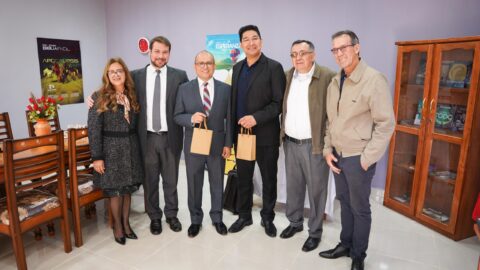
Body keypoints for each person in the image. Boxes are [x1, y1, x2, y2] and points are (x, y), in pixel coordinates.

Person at [318, 30, 395, 270]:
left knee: (360, 208)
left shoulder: (374, 79)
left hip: (357, 158)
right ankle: (345, 244)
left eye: (344, 48)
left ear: (357, 47)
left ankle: (358, 255)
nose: (339, 54)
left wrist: (366, 159)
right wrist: (327, 150)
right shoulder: (334, 81)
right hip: (337, 156)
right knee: (344, 202)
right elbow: (331, 121)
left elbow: (386, 124)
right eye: (335, 49)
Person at [228, 25, 286, 237]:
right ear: (241, 44)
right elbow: (234, 103)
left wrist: (255, 118)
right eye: (246, 39)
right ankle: (244, 215)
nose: (251, 43)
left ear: (261, 41)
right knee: (244, 177)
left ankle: (267, 217)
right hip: (241, 136)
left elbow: (277, 103)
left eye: (255, 38)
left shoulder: (273, 67)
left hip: (266, 136)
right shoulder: (237, 68)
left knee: (269, 178)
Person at [279, 40, 336, 252]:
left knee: (316, 191)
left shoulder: (328, 76)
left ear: (313, 55)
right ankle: (295, 223)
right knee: (293, 187)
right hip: (291, 142)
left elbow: (333, 114)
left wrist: (327, 143)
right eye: (294, 54)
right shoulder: (286, 76)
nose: (298, 58)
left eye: (303, 53)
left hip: (315, 145)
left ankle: (315, 233)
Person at [131, 36, 189, 235]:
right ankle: (154, 216)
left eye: (165, 52)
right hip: (146, 138)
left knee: (171, 180)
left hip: (170, 137)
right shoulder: (135, 76)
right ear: (150, 52)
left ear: (169, 53)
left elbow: (189, 100)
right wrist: (93, 98)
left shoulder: (180, 76)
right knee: (150, 181)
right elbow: (113, 90)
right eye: (157, 51)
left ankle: (171, 214)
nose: (161, 56)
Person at [173, 50, 232, 237]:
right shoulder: (184, 89)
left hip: (217, 145)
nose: (205, 66)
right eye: (201, 63)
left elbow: (230, 119)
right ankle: (195, 220)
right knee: (194, 183)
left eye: (209, 63)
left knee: (217, 183)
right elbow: (176, 116)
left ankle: (217, 218)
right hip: (194, 146)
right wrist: (191, 118)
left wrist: (228, 144)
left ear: (214, 66)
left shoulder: (225, 89)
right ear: (195, 66)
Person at [88, 58, 144, 245]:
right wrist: (97, 157)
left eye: (120, 70)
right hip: (111, 149)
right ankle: (118, 227)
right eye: (112, 72)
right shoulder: (99, 97)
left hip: (130, 147)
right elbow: (94, 129)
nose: (116, 74)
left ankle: (127, 224)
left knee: (127, 189)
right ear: (107, 76)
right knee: (115, 191)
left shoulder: (132, 95)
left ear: (125, 73)